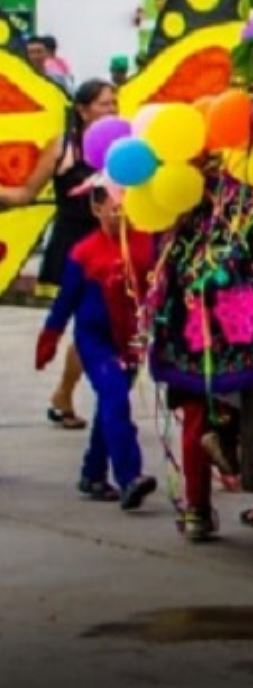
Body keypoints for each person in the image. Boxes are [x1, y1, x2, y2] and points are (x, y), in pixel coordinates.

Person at [0, 78, 119, 431]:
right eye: (103, 104)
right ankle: (70, 396)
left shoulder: (124, 144)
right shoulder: (62, 147)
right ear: (82, 111)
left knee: (95, 324)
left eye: (114, 103)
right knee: (91, 323)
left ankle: (65, 395)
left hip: (110, 246)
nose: (111, 110)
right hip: (73, 249)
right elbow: (25, 194)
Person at [34, 181, 158, 506]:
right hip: (95, 341)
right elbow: (66, 300)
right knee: (115, 398)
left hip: (131, 340)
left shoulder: (148, 245)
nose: (121, 216)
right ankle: (130, 476)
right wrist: (50, 337)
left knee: (109, 406)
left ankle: (92, 474)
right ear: (97, 208)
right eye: (115, 209)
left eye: (128, 208)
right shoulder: (84, 252)